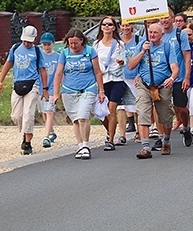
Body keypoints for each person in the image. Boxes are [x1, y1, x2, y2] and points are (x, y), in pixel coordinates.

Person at [53, 28, 105, 160]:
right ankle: (80, 145)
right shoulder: (64, 53)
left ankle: (86, 145)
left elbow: (97, 71)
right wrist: (55, 93)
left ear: (82, 41)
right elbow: (58, 73)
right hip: (69, 90)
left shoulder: (89, 51)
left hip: (88, 88)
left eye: (76, 43)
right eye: (71, 43)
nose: (73, 46)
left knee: (83, 116)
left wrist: (101, 90)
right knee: (75, 120)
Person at [0, 25, 49, 155]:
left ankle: (27, 142)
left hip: (33, 84)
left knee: (28, 114)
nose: (27, 43)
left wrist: (45, 88)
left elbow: (42, 70)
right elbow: (8, 64)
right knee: (16, 115)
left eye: (29, 41)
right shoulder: (15, 49)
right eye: (25, 40)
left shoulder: (37, 51)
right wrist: (0, 82)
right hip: (18, 84)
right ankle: (24, 132)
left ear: (34, 40)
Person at [128, 23, 179, 159]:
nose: (152, 35)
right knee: (143, 113)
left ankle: (166, 141)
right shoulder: (142, 46)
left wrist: (172, 78)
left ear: (162, 34)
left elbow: (175, 68)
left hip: (162, 86)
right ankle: (145, 147)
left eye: (155, 33)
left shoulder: (167, 47)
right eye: (150, 32)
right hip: (145, 85)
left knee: (165, 116)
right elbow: (131, 65)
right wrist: (143, 51)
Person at [92, 17, 126, 151]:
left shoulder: (119, 44)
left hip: (116, 79)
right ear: (101, 27)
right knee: (101, 112)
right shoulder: (96, 45)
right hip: (102, 80)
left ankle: (110, 139)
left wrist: (121, 62)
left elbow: (124, 58)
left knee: (112, 109)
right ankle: (109, 130)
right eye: (104, 24)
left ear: (114, 27)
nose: (107, 26)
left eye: (110, 24)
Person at [161, 8, 193, 148]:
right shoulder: (158, 35)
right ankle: (163, 137)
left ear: (172, 18)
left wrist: (187, 77)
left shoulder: (180, 34)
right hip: (163, 78)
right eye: (162, 18)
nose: (164, 20)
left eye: (167, 17)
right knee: (163, 109)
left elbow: (187, 56)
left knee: (181, 109)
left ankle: (186, 127)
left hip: (179, 77)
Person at [117, 22, 140, 143]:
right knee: (121, 106)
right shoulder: (117, 41)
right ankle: (122, 135)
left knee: (136, 106)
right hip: (120, 77)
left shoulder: (138, 40)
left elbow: (143, 58)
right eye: (123, 25)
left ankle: (139, 132)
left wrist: (139, 74)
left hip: (134, 77)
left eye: (128, 25)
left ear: (132, 26)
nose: (125, 28)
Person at [38, 32, 60, 148]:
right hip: (41, 87)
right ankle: (51, 131)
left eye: (48, 44)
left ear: (53, 44)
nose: (46, 47)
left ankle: (46, 137)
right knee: (44, 112)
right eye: (44, 44)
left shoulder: (57, 56)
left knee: (49, 111)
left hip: (52, 87)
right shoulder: (39, 55)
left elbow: (60, 72)